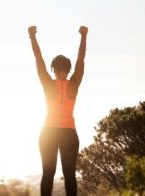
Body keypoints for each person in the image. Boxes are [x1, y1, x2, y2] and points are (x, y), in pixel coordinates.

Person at [28, 25, 88, 196]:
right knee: (69, 175)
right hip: (69, 132)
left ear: (53, 69)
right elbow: (81, 60)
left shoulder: (49, 84)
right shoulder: (74, 84)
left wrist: (32, 37)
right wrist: (84, 35)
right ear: (69, 70)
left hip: (48, 132)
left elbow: (39, 61)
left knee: (48, 173)